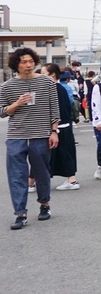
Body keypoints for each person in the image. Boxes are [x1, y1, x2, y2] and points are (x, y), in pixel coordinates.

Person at [2, 48, 61, 229]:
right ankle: (20, 213)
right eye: (23, 62)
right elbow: (2, 111)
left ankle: (44, 204)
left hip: (41, 134)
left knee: (41, 172)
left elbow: (54, 108)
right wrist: (17, 103)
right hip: (16, 135)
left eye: (30, 61)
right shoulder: (6, 86)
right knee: (16, 176)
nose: (28, 65)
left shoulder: (47, 82)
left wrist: (54, 131)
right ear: (16, 65)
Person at [44, 63, 79, 191]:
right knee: (62, 154)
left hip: (58, 127)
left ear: (52, 75)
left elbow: (55, 110)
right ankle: (71, 180)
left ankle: (32, 182)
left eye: (43, 74)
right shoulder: (61, 88)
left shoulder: (53, 89)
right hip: (63, 126)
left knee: (44, 156)